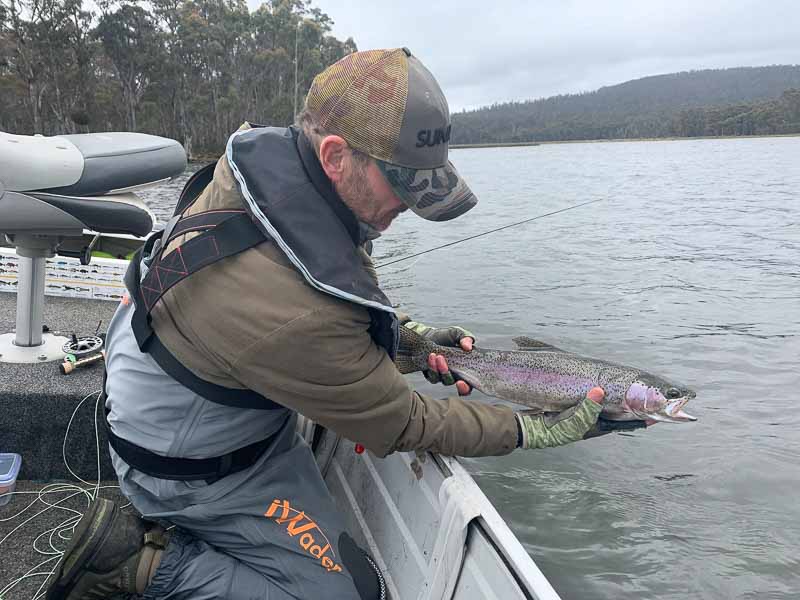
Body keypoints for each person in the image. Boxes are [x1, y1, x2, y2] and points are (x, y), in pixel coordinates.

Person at [45, 48, 643, 600]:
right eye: (402, 185)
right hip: (188, 465)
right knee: (352, 595)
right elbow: (401, 420)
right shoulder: (295, 311)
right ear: (335, 154)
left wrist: (403, 338)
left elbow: (328, 296)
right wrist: (531, 429)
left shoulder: (272, 170)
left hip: (198, 401)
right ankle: (140, 563)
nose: (408, 208)